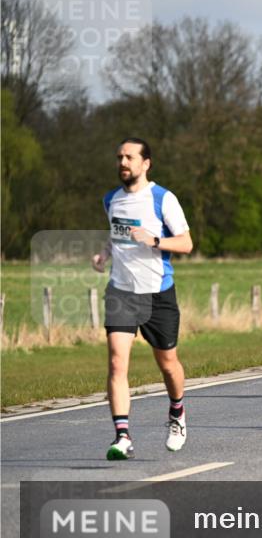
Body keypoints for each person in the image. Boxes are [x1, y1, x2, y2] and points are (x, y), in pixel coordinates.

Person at [91, 138, 193, 460]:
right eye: (119, 156)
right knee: (117, 362)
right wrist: (104, 254)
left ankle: (177, 412)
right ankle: (123, 437)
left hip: (157, 291)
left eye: (129, 157)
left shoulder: (163, 198)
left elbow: (187, 243)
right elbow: (117, 234)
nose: (123, 162)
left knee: (167, 363)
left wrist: (155, 240)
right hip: (121, 290)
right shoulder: (110, 200)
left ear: (145, 163)